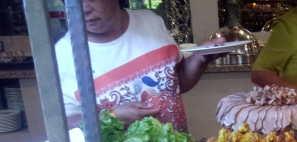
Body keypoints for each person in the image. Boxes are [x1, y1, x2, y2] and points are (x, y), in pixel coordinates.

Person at [54, 0, 223, 131]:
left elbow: (175, 84)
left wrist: (199, 59)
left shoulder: (151, 22)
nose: (83, 9)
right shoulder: (63, 54)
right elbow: (64, 124)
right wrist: (112, 116)